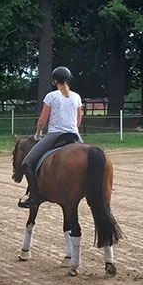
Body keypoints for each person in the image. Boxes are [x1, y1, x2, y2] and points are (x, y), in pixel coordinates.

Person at [18, 66, 83, 208]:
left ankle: (33, 197)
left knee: (27, 164)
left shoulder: (51, 96)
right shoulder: (76, 97)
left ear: (54, 81)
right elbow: (78, 120)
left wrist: (38, 133)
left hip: (55, 135)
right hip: (74, 135)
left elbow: (42, 120)